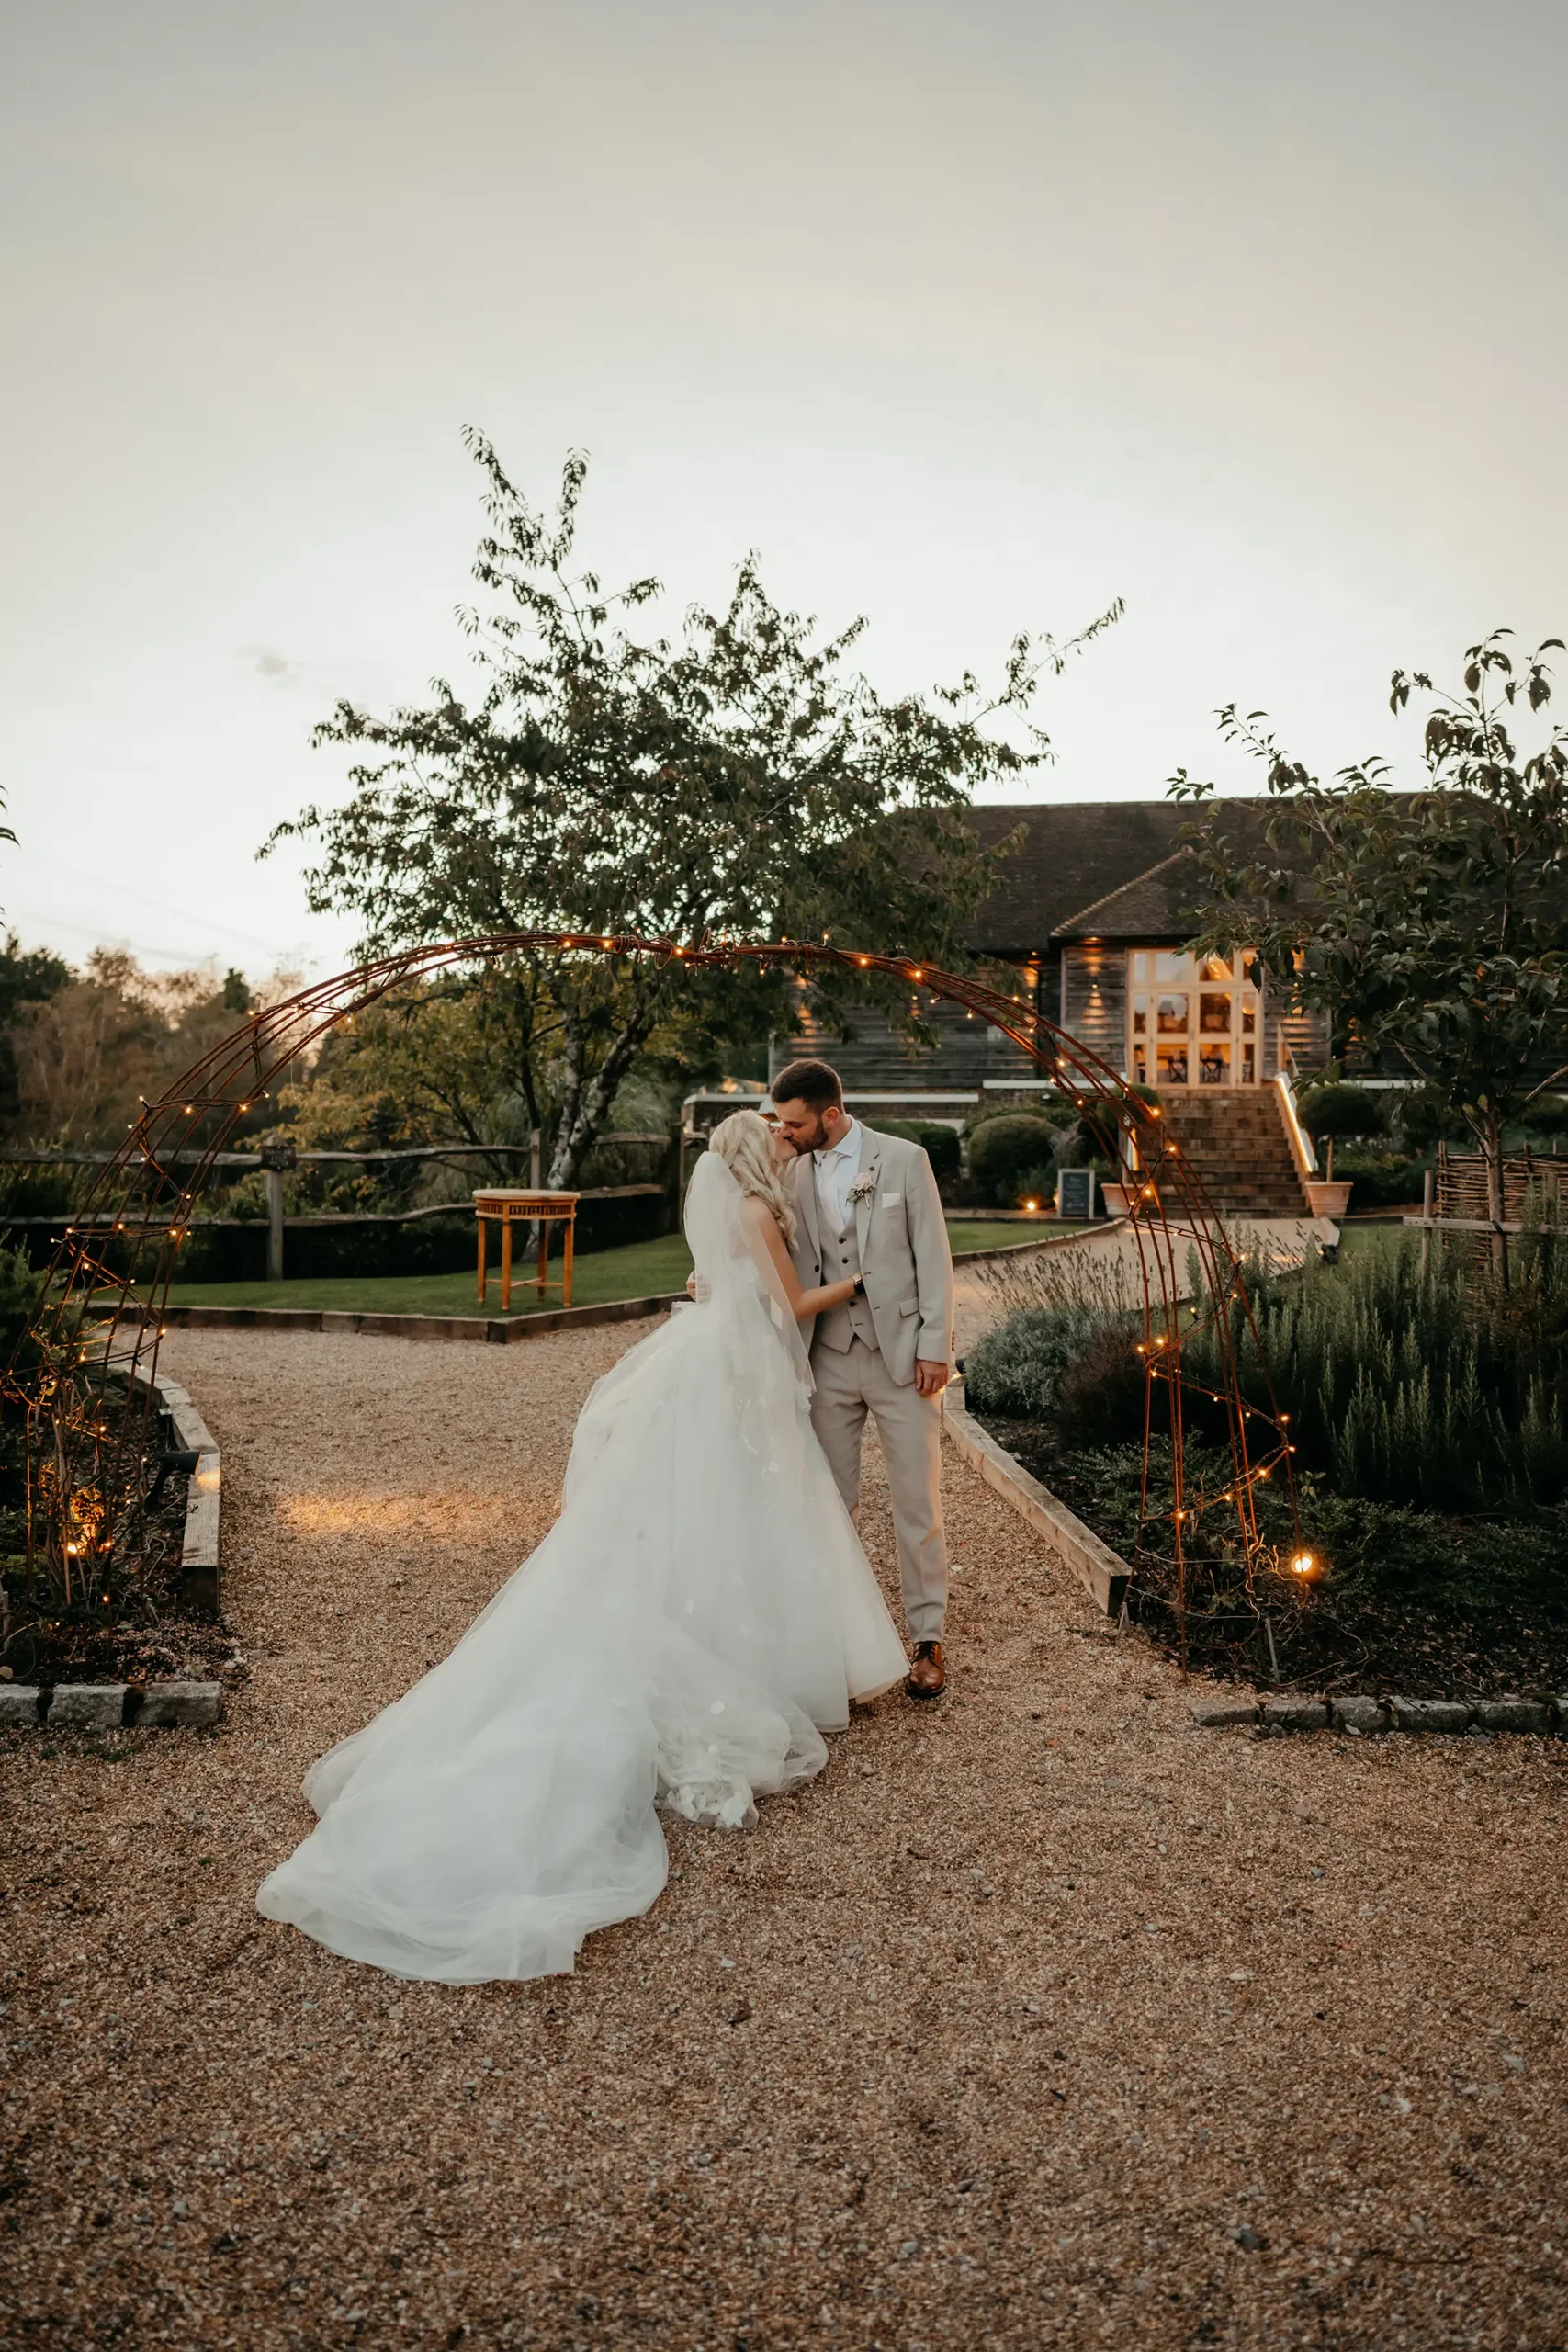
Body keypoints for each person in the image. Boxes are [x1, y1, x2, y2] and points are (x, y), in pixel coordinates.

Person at [255, 1111, 908, 1984]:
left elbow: (724, 1282)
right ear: (762, 1156)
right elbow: (790, 1305)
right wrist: (857, 1281)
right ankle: (746, 1652)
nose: (787, 1143)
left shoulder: (718, 1203)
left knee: (693, 1508)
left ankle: (710, 1626)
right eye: (779, 1137)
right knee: (742, 1506)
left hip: (704, 1356)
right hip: (733, 1371)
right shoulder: (756, 1212)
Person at [768, 1058, 954, 1701]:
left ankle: (927, 1638)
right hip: (826, 1357)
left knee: (916, 1503)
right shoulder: (788, 1170)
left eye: (794, 1122)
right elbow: (767, 1252)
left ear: (830, 1114)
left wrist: (935, 1345)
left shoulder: (903, 1160)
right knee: (829, 1504)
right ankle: (839, 1644)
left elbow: (932, 1255)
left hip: (902, 1356)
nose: (784, 1132)